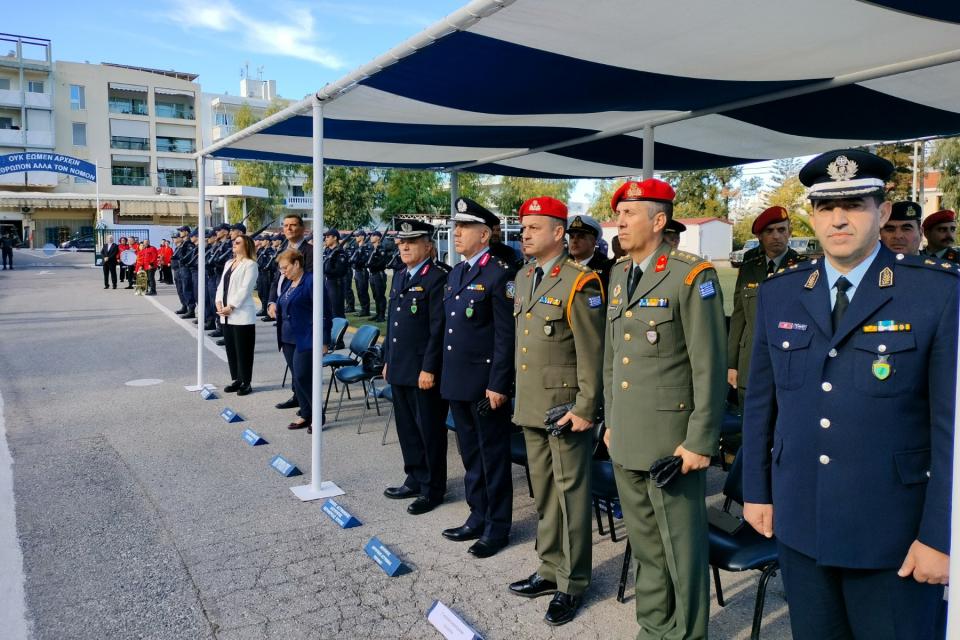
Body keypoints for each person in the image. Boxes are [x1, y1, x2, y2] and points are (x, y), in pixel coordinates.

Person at [742, 149, 955, 640]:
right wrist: (756, 491)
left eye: (855, 205)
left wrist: (941, 535)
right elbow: (760, 404)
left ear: (883, 212)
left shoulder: (936, 293)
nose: (838, 219)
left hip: (894, 536)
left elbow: (952, 428)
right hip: (802, 524)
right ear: (812, 215)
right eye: (826, 207)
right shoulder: (781, 292)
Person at [603, 179, 726, 640]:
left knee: (681, 550)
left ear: (658, 221)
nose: (620, 222)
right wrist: (611, 421)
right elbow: (612, 358)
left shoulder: (690, 275)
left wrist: (699, 441)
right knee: (646, 546)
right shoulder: (619, 274)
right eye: (619, 214)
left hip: (672, 444)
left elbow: (708, 366)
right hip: (627, 435)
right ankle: (654, 628)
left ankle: (688, 634)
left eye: (630, 214)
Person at [509, 197, 605, 626]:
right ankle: (549, 568)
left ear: (557, 233)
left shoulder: (579, 281)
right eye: (524, 227)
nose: (525, 234)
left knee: (571, 497)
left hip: (566, 410)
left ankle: (573, 581)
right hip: (532, 406)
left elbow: (593, 352)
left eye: (534, 227)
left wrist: (586, 407)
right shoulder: (525, 276)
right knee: (545, 494)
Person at [440, 197, 517, 559]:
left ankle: (497, 527)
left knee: (493, 456)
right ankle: (477, 515)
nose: (457, 233)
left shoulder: (500, 274)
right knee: (470, 454)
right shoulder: (456, 272)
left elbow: (505, 336)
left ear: (484, 235)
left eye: (465, 227)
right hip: (458, 379)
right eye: (456, 227)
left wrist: (499, 383)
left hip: (486, 384)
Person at [382, 219, 449, 515]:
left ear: (428, 246)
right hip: (400, 365)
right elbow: (392, 323)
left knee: (429, 431)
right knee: (407, 428)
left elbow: (438, 328)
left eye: (412, 242)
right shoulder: (400, 275)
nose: (405, 247)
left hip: (423, 370)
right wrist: (388, 359)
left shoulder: (437, 278)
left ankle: (433, 488)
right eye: (402, 242)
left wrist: (429, 368)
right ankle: (414, 477)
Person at [727, 206, 806, 408]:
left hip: (789, 362)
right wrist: (732, 364)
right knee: (750, 418)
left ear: (789, 232)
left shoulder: (803, 268)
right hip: (750, 361)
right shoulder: (749, 265)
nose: (776, 236)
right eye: (769, 231)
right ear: (760, 236)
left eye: (781, 230)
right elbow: (739, 316)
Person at [272, 249, 332, 433]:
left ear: (297, 263)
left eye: (285, 268)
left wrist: (324, 340)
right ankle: (306, 414)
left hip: (307, 337)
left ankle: (318, 415)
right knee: (297, 378)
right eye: (281, 269)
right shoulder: (289, 282)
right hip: (288, 337)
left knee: (302, 376)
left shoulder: (312, 281)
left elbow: (325, 312)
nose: (283, 272)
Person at [216, 234, 259, 396]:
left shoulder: (250, 265)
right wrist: (219, 302)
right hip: (226, 314)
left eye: (238, 242)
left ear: (246, 246)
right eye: (234, 242)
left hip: (241, 314)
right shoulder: (229, 263)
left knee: (244, 350)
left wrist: (231, 306)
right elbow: (222, 285)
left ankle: (246, 382)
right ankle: (237, 379)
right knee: (232, 349)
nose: (234, 244)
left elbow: (246, 289)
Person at [566, 214, 612, 289]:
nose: (574, 241)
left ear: (594, 242)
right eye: (572, 237)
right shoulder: (563, 264)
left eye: (581, 236)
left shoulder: (607, 267)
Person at [322, 229, 350, 318]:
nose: (325, 239)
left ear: (335, 238)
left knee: (336, 311)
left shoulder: (340, 253)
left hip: (335, 283)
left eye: (328, 237)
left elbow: (340, 271)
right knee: (327, 310)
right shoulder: (328, 251)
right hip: (327, 282)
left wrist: (326, 270)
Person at [367, 230, 390, 321]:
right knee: (375, 295)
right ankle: (377, 313)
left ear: (378, 238)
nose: (371, 237)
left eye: (373, 235)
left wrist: (372, 264)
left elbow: (382, 263)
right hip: (372, 274)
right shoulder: (372, 249)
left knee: (380, 295)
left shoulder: (381, 250)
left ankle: (382, 315)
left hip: (379, 274)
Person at [351, 230, 373, 317]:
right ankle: (363, 309)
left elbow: (365, 259)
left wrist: (356, 261)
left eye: (357, 236)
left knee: (363, 291)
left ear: (362, 237)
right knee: (359, 291)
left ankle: (366, 310)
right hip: (357, 271)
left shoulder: (366, 247)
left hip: (362, 271)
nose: (356, 237)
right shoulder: (357, 247)